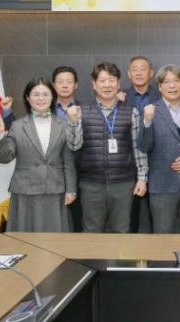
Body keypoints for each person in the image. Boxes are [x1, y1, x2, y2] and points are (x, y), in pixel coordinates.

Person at [66, 62, 148, 233]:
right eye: (102, 81)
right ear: (94, 84)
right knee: (91, 232)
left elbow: (138, 147)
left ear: (119, 84)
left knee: (121, 231)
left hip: (123, 183)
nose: (107, 85)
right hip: (91, 184)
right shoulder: (81, 112)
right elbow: (74, 146)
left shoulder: (131, 111)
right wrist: (73, 122)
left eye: (111, 80)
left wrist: (142, 178)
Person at [0, 77, 76, 232]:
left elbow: (68, 161)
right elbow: (4, 158)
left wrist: (71, 189)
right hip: (25, 192)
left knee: (54, 238)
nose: (41, 98)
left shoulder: (63, 125)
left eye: (45, 94)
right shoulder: (17, 126)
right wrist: (0, 134)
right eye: (36, 94)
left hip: (55, 190)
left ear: (52, 97)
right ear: (27, 98)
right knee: (25, 239)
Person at [139, 64, 180, 234]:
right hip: (162, 185)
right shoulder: (150, 111)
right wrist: (147, 122)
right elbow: (144, 146)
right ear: (160, 87)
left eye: (176, 81)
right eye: (167, 82)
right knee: (163, 236)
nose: (172, 86)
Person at [119, 56, 161, 233]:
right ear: (129, 74)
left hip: (157, 162)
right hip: (129, 164)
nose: (138, 73)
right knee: (129, 217)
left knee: (158, 218)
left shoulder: (162, 95)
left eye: (143, 69)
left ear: (151, 73)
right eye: (134, 69)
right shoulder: (119, 97)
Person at [52, 65, 83, 231]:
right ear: (53, 85)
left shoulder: (86, 109)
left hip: (80, 174)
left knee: (78, 224)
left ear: (76, 85)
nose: (65, 85)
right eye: (60, 82)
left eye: (69, 82)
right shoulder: (43, 109)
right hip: (52, 173)